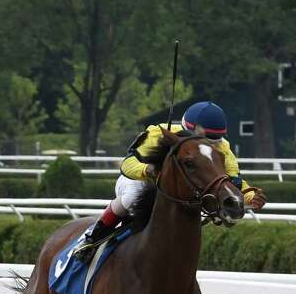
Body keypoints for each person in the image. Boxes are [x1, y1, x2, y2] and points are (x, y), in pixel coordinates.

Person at [78, 101, 267, 253]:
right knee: (133, 195)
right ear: (191, 129)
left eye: (215, 140)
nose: (211, 145)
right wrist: (149, 170)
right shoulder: (158, 134)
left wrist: (249, 196)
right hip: (140, 180)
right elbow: (127, 165)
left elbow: (232, 180)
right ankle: (93, 237)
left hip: (177, 190)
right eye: (207, 139)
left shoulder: (222, 147)